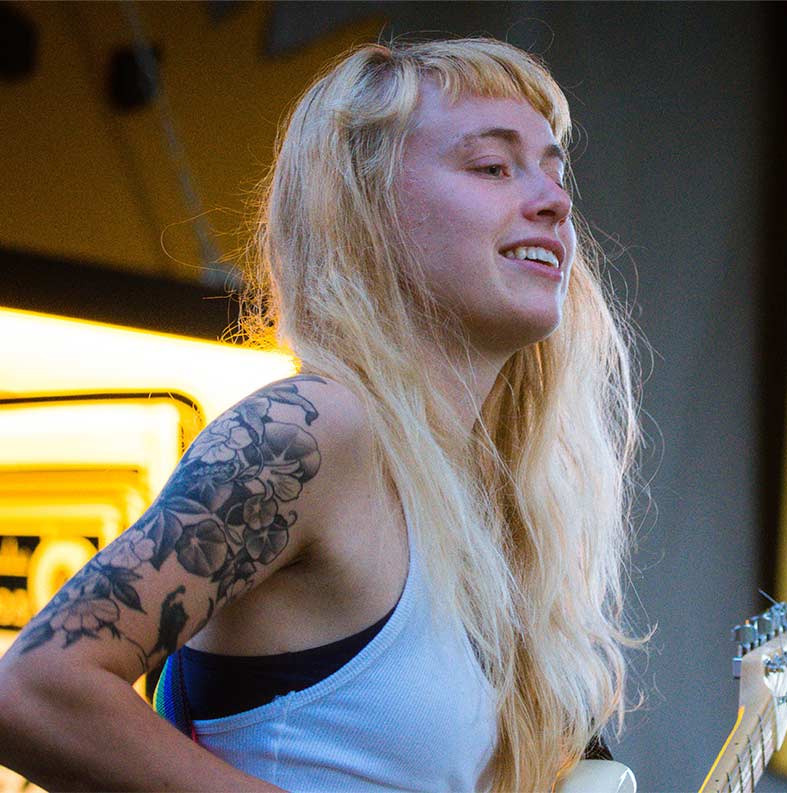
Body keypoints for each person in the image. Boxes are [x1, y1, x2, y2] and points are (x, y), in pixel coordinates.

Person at [0, 37, 641, 792]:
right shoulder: (308, 430)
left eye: (554, 172)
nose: (554, 202)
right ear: (365, 210)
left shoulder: (501, 516)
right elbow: (35, 690)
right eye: (492, 167)